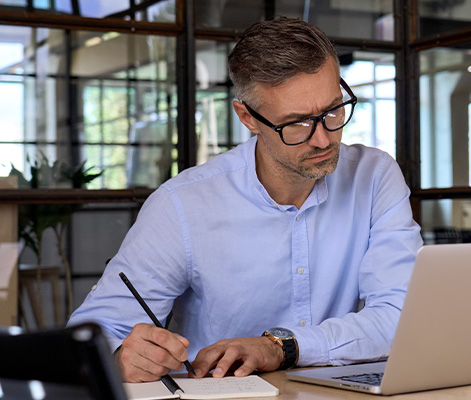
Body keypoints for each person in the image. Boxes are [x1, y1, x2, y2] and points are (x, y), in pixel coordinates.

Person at [67, 17, 422, 383]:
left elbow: (402, 314)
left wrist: (281, 347)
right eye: (297, 123)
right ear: (247, 117)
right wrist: (119, 354)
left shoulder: (375, 175)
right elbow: (92, 334)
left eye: (333, 110)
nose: (323, 139)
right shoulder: (183, 205)